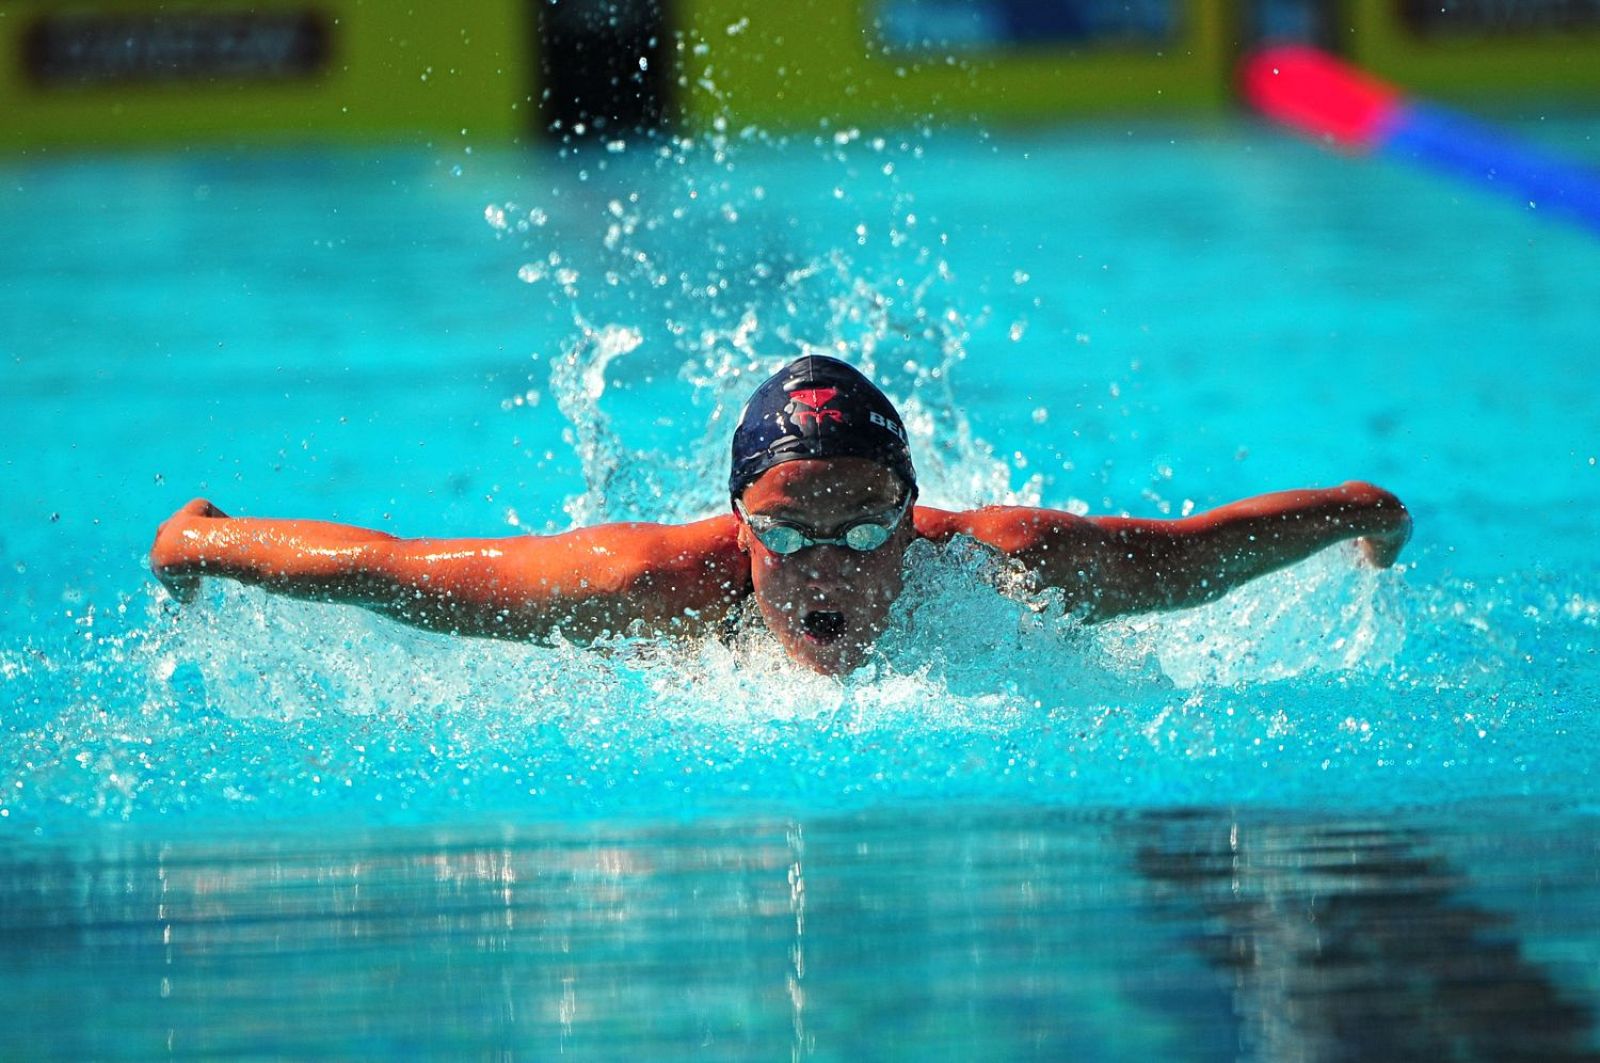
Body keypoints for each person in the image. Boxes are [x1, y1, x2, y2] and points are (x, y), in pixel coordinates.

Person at [150, 355, 1411, 676]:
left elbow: (1196, 558)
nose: (836, 567)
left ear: (914, 512)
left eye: (870, 528)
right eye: (792, 530)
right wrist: (201, 540)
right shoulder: (639, 582)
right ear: (737, 523)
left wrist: (1358, 511)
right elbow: (390, 570)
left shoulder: (999, 567)